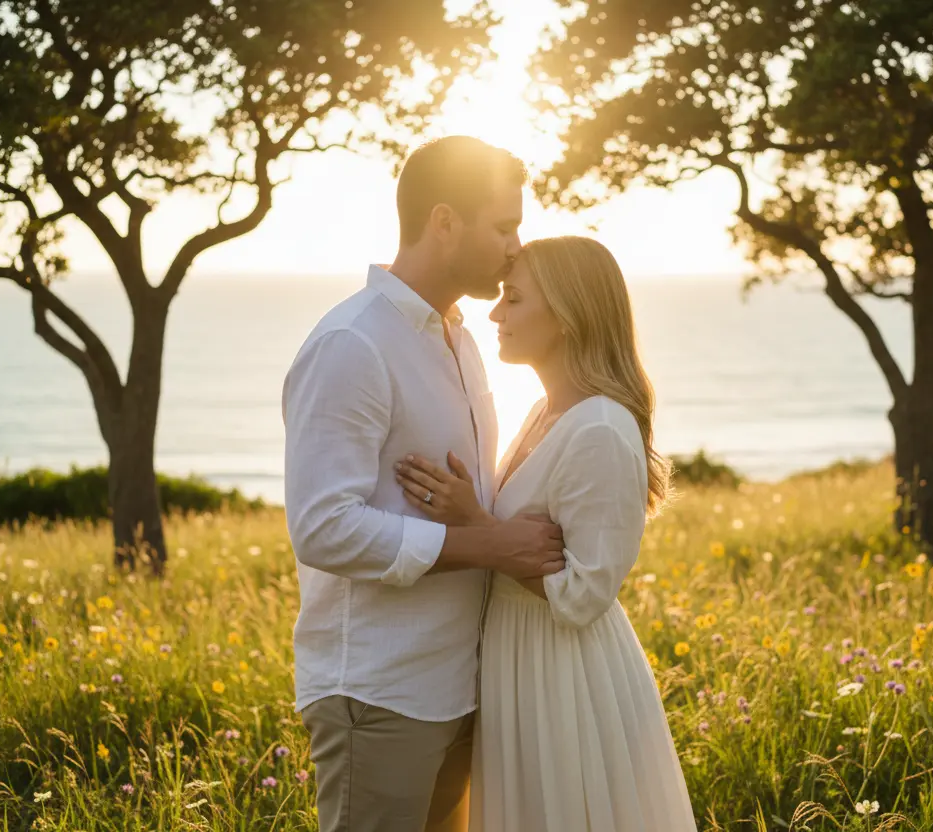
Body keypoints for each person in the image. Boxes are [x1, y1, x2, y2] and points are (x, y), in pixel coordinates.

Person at [282, 136, 566, 832]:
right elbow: (322, 527)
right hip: (380, 694)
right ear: (445, 223)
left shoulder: (460, 340)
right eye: (503, 226)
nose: (515, 247)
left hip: (458, 687)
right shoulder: (353, 342)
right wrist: (493, 547)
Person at [395, 236, 698, 831]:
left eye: (513, 299)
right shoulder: (547, 411)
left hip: (565, 673)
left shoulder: (601, 427)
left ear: (564, 315)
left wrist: (477, 525)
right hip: (519, 658)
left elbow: (586, 593)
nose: (495, 313)